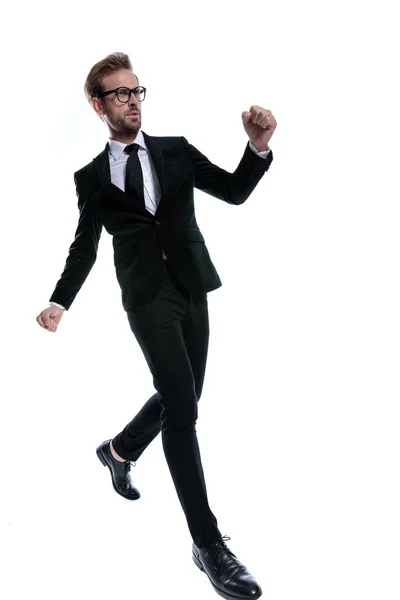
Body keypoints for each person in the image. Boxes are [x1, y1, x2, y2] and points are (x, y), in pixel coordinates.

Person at [36, 52, 277, 599]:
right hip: (146, 297)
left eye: (137, 91)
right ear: (99, 106)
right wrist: (59, 301)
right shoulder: (92, 179)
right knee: (183, 412)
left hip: (193, 284)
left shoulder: (175, 151)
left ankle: (119, 450)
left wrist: (257, 147)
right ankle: (208, 544)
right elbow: (84, 249)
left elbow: (234, 192)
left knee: (184, 394)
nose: (132, 102)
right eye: (120, 94)